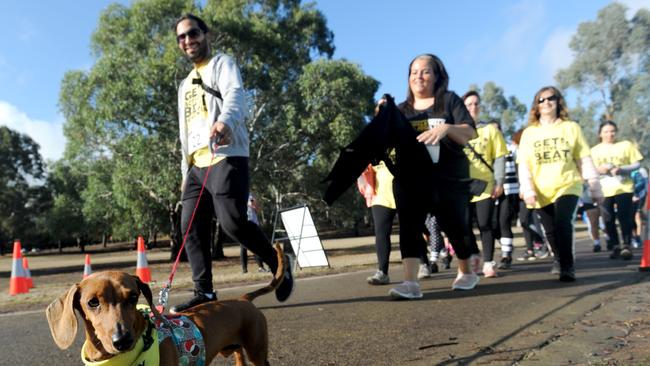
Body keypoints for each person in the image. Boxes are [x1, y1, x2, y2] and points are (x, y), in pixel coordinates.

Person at [172, 13, 293, 313]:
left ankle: (278, 262)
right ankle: (205, 292)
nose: (188, 40)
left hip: (226, 155)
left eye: (193, 33)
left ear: (206, 34)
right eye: (182, 37)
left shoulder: (221, 63)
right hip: (197, 166)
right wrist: (186, 171)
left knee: (232, 222)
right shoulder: (184, 85)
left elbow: (235, 95)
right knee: (191, 228)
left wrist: (225, 122)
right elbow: (185, 133)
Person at [385, 53, 478, 299]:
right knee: (409, 226)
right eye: (414, 72)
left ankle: (467, 272)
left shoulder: (449, 101)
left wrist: (447, 128)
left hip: (448, 176)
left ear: (437, 76)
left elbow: (469, 133)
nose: (419, 76)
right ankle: (410, 283)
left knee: (454, 225)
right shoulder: (400, 110)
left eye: (425, 71)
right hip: (411, 178)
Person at [517, 86, 603, 282]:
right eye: (541, 100)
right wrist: (527, 189)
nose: (546, 102)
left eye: (551, 98)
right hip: (540, 189)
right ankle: (558, 258)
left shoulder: (571, 127)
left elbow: (584, 159)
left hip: (568, 184)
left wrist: (595, 187)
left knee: (563, 223)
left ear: (558, 102)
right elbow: (524, 165)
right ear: (536, 106)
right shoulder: (529, 133)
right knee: (550, 230)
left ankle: (567, 265)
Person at [462, 91, 508, 278]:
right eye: (469, 104)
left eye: (476, 104)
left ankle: (489, 262)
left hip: (485, 183)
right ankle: (475, 254)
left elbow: (499, 157)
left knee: (485, 224)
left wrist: (499, 182)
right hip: (462, 185)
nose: (473, 107)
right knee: (463, 225)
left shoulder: (490, 130)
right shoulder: (457, 130)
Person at [590, 121, 644, 260]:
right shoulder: (594, 150)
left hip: (624, 187)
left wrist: (621, 169)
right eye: (606, 131)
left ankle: (626, 245)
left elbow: (637, 163)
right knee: (608, 219)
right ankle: (615, 246)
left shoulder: (625, 145)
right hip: (604, 189)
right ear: (600, 134)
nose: (609, 134)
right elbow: (589, 169)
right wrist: (599, 170)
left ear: (616, 132)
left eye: (612, 131)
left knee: (624, 217)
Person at [357, 161, 397, 285]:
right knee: (381, 233)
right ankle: (382, 272)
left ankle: (424, 263)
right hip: (380, 196)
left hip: (405, 191)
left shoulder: (404, 143)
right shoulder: (373, 148)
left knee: (412, 230)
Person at [240, 194, 269, 273]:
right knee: (243, 247)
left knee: (257, 246)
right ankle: (244, 269)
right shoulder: (240, 193)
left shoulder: (251, 196)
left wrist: (255, 205)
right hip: (244, 223)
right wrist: (250, 203)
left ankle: (261, 267)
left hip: (254, 223)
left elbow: (258, 210)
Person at [631, 167, 648, 248]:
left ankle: (638, 237)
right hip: (626, 197)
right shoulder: (620, 169)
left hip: (639, 197)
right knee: (630, 219)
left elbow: (644, 184)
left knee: (637, 217)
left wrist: (635, 195)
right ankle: (634, 237)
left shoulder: (641, 170)